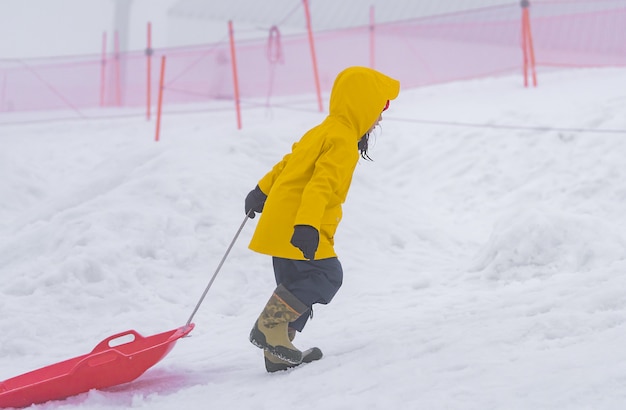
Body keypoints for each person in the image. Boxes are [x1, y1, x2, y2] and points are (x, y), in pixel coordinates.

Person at [244, 66, 400, 372]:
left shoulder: (321, 130)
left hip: (282, 223)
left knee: (293, 285)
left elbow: (287, 165)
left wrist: (261, 191)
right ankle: (268, 328)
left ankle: (278, 350)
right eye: (379, 109)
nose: (380, 118)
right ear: (363, 105)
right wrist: (308, 225)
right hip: (299, 224)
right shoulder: (342, 140)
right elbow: (321, 185)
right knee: (326, 275)